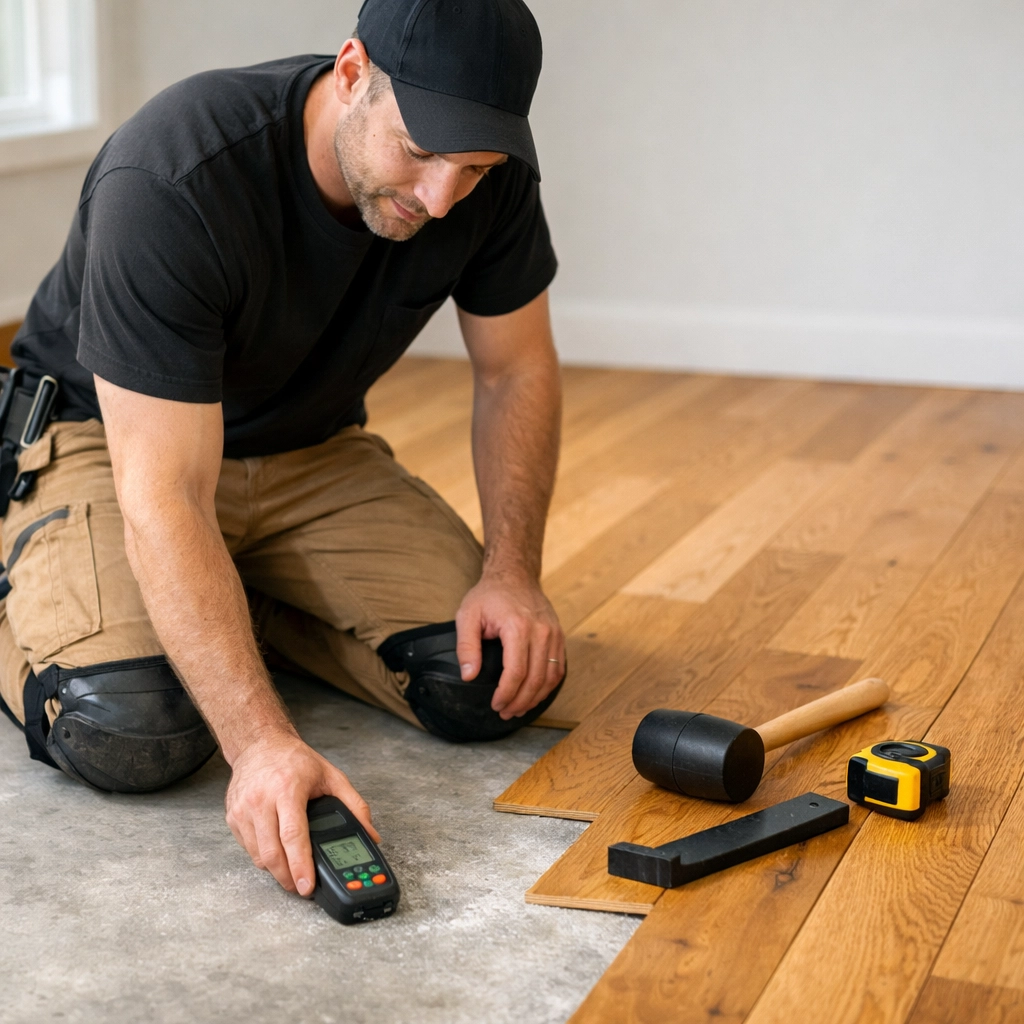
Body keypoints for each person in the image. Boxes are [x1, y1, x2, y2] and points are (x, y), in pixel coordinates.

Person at [0, 0, 565, 901]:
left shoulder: (482, 185)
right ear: (351, 75)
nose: (440, 197)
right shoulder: (174, 175)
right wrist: (260, 744)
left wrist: (514, 571)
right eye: (420, 152)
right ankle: (38, 584)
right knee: (131, 726)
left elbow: (516, 372)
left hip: (307, 451)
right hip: (114, 445)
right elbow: (167, 495)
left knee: (492, 678)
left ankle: (221, 604)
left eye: (476, 167)